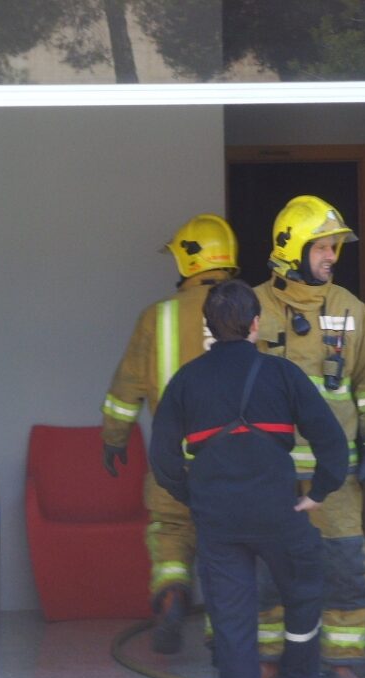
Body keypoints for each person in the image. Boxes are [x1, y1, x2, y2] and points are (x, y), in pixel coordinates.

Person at [149, 279, 349, 678]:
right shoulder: (281, 374)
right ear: (256, 324)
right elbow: (331, 442)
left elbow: (162, 459)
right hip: (278, 512)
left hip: (217, 520)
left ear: (209, 328)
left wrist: (194, 495)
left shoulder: (186, 381)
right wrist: (318, 492)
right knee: (304, 589)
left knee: (232, 622)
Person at [253, 195, 365, 678]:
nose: (332, 255)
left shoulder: (351, 311)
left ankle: (343, 662)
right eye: (323, 246)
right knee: (266, 569)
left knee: (344, 567)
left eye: (335, 246)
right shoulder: (254, 309)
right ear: (291, 249)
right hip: (267, 475)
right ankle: (267, 659)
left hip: (336, 480)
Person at [101, 213, 238, 654]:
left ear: (185, 261)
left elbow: (127, 390)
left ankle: (173, 593)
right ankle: (222, 643)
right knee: (228, 546)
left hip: (173, 459)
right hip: (235, 459)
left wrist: (114, 438)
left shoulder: (155, 318)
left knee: (171, 532)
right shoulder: (253, 310)